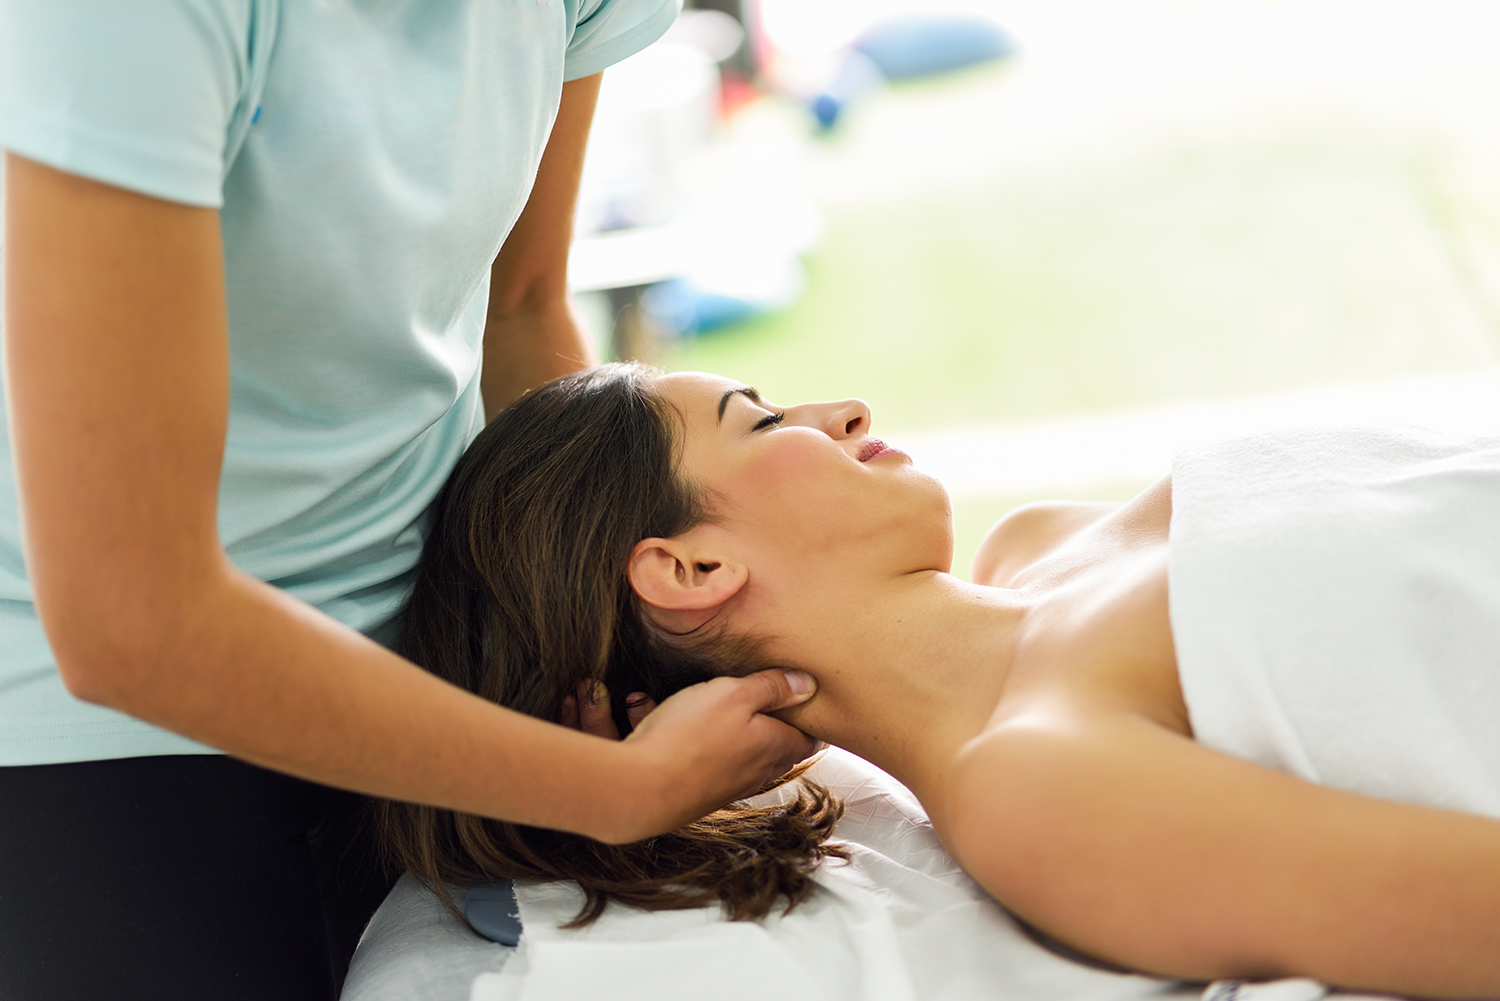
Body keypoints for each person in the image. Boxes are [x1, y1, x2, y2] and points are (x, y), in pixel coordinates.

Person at [0, 5, 819, 999]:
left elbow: (519, 313)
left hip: (442, 653)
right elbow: (129, 619)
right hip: (108, 735)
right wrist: (620, 789)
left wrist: (593, 648)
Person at [387, 361, 1500, 1000]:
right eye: (765, 420)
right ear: (689, 568)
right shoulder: (1038, 792)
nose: (849, 411)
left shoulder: (1042, 541)